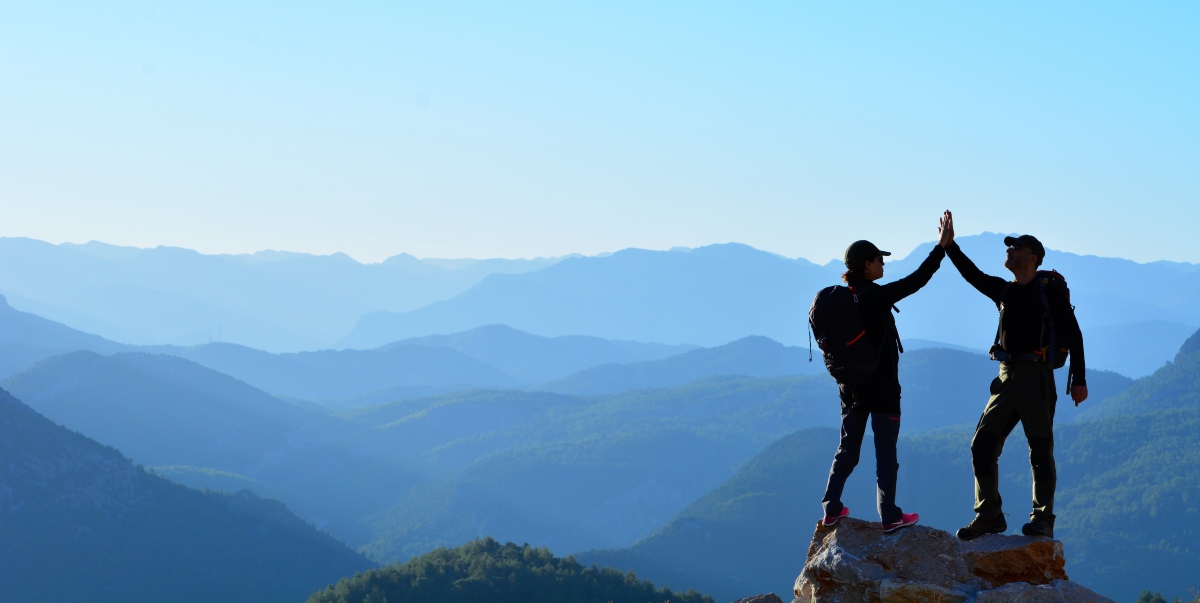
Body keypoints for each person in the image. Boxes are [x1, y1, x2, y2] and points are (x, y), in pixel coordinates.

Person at [942, 212, 1088, 540]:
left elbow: (1074, 335)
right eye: (1008, 247)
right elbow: (973, 275)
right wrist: (950, 247)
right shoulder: (1005, 292)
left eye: (1016, 247)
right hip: (1007, 377)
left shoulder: (1047, 294)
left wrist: (1078, 379)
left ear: (1032, 257)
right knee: (982, 446)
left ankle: (1042, 520)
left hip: (1036, 377)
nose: (1009, 251)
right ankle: (990, 516)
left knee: (1039, 451)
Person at [820, 211, 954, 532]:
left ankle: (831, 508)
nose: (883, 264)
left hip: (851, 389)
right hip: (882, 388)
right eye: (879, 260)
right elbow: (918, 279)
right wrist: (941, 247)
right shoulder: (877, 296)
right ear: (866, 265)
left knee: (847, 450)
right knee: (885, 454)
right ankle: (890, 515)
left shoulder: (843, 302)